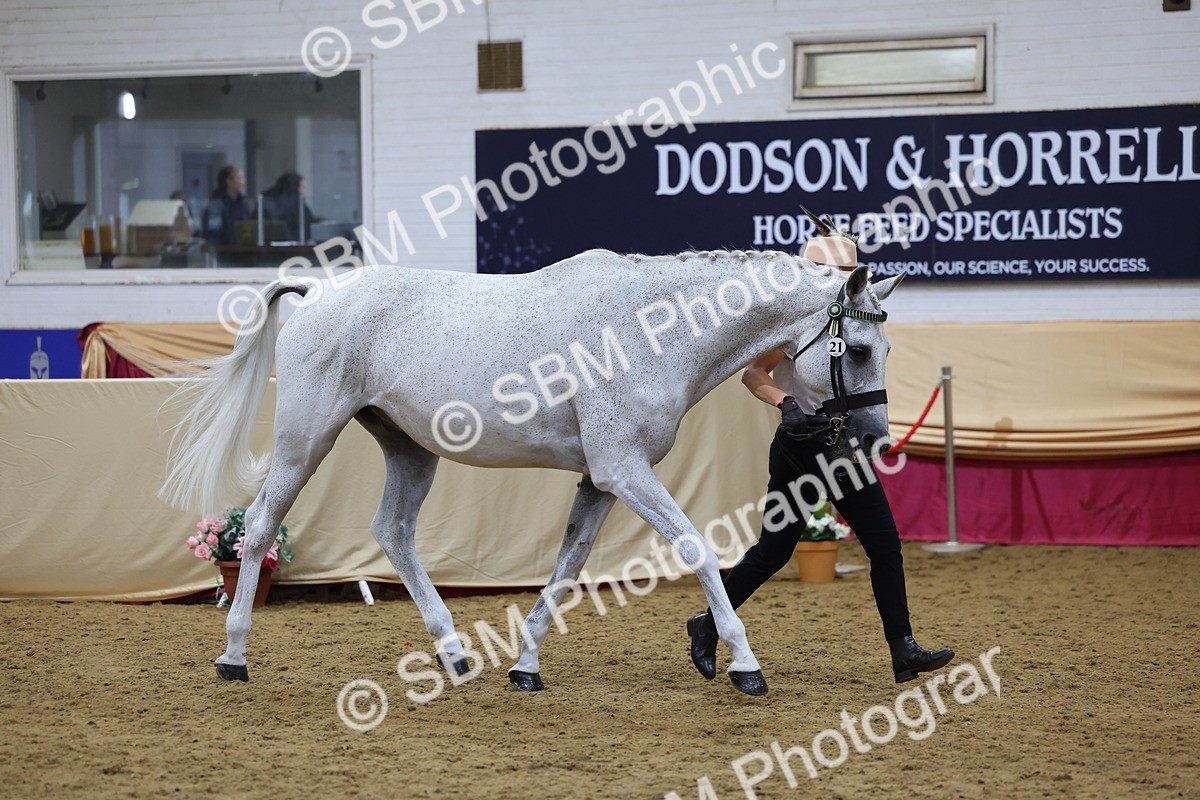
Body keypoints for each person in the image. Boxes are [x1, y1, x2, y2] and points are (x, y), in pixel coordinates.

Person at [686, 227, 955, 686]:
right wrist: (783, 403)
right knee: (773, 553)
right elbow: (754, 375)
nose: (842, 281)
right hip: (801, 445)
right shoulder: (793, 322)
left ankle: (903, 649)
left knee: (884, 544)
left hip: (845, 447)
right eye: (837, 273)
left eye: (847, 273)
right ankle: (708, 622)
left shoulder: (856, 316)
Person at [260, 172, 320, 242]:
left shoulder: (267, 201)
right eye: (301, 187)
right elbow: (308, 226)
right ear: (295, 187)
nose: (303, 192)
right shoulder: (297, 205)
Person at [201, 165, 253, 245]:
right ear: (229, 181)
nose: (244, 182)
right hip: (224, 251)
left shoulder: (243, 204)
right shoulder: (216, 205)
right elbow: (213, 233)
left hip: (242, 249)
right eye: (240, 178)